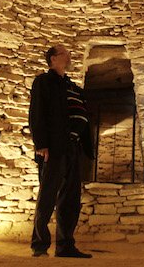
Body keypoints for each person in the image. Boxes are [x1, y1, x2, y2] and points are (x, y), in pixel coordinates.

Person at [28, 45, 94, 258]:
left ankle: (65, 246)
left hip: (73, 149)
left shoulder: (71, 87)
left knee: (70, 199)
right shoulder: (44, 82)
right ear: (54, 58)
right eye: (65, 52)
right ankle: (40, 246)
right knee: (47, 197)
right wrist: (41, 145)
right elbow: (37, 114)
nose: (70, 55)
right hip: (54, 148)